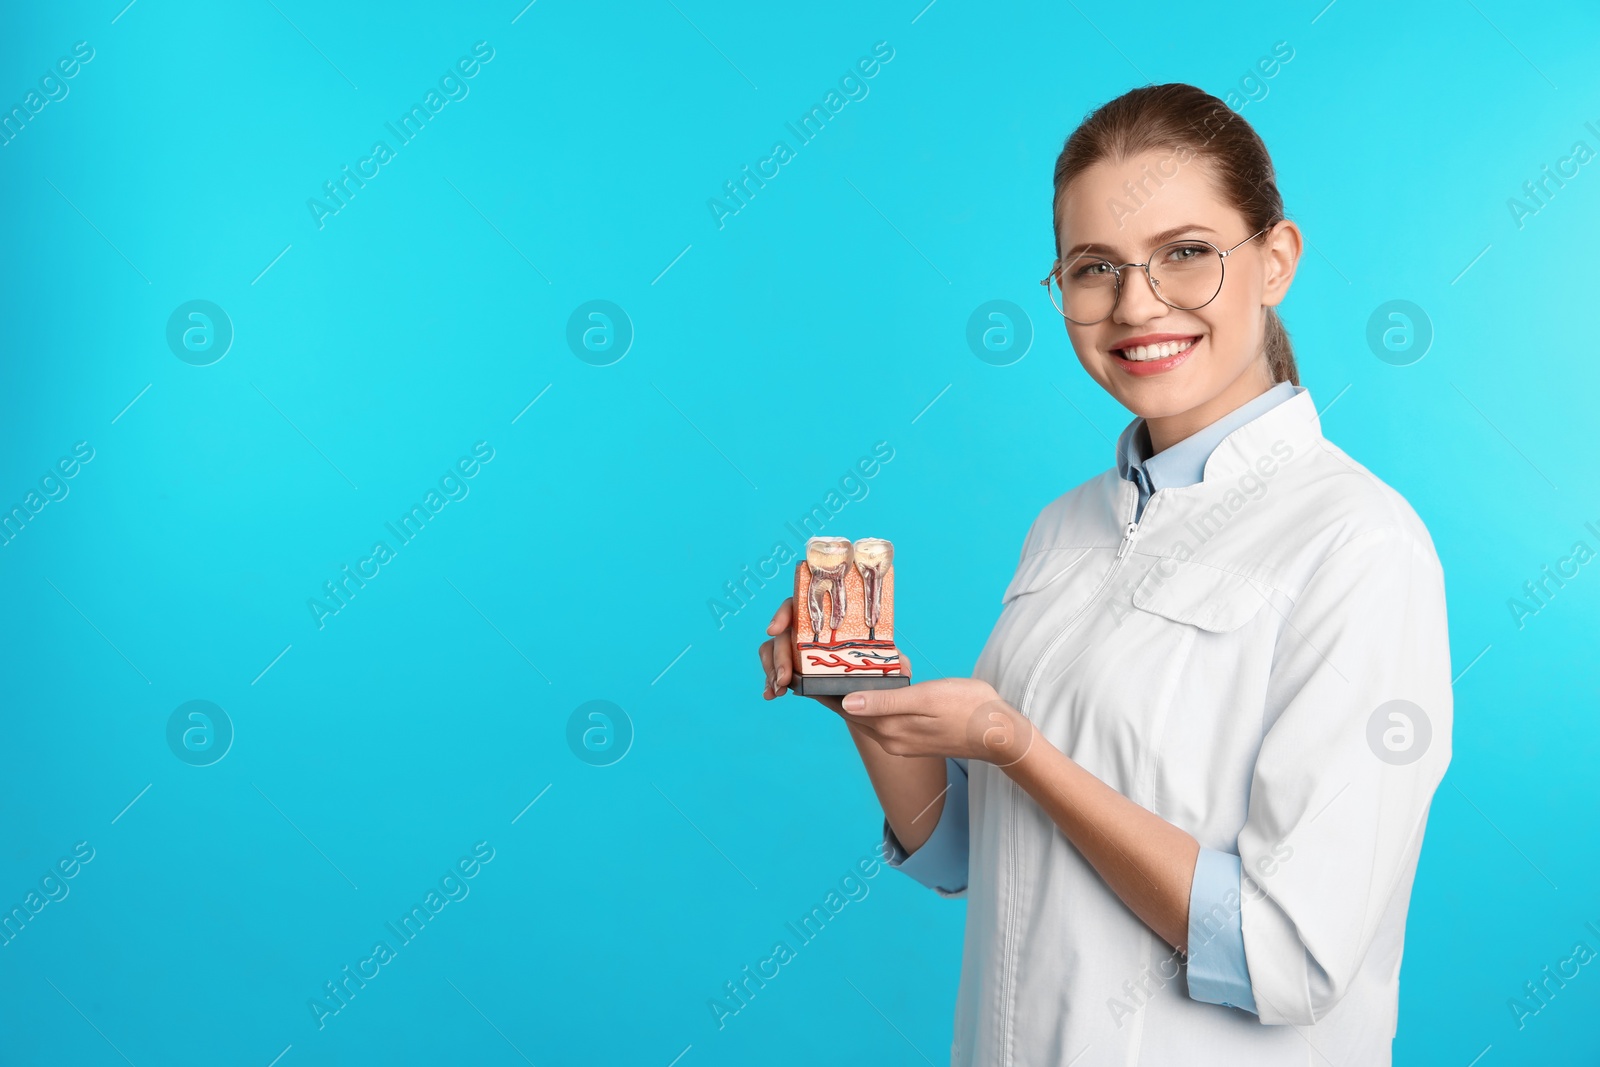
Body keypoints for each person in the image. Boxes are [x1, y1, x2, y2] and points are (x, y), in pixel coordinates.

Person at [756, 82, 1452, 1065]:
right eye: (1094, 268)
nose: (1135, 304)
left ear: (1275, 261)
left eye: (1185, 253)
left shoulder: (1357, 543)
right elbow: (967, 852)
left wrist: (1019, 747)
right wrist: (865, 702)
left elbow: (1285, 956)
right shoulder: (1064, 525)